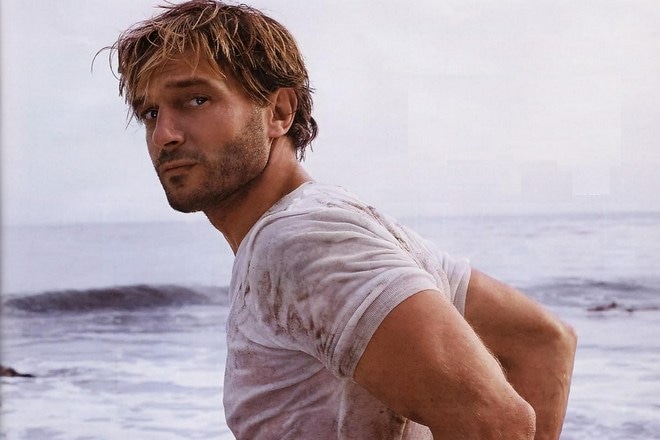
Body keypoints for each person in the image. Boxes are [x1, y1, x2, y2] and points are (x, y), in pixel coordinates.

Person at [106, 1, 577, 438]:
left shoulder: (300, 241)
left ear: (279, 111)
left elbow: (496, 417)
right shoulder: (332, 220)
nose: (164, 134)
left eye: (195, 100)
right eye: (149, 112)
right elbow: (541, 342)